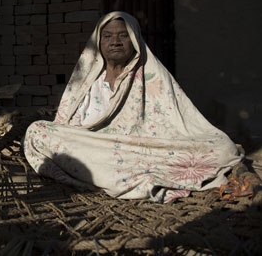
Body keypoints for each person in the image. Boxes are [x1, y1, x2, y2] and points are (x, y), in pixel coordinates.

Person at [23, 11, 243, 203]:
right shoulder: (87, 82)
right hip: (97, 149)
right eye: (107, 36)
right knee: (37, 131)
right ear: (98, 43)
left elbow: (177, 122)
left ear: (135, 40)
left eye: (123, 35)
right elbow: (68, 127)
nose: (115, 42)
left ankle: (118, 175)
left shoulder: (153, 76)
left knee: (224, 148)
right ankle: (121, 173)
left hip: (144, 151)